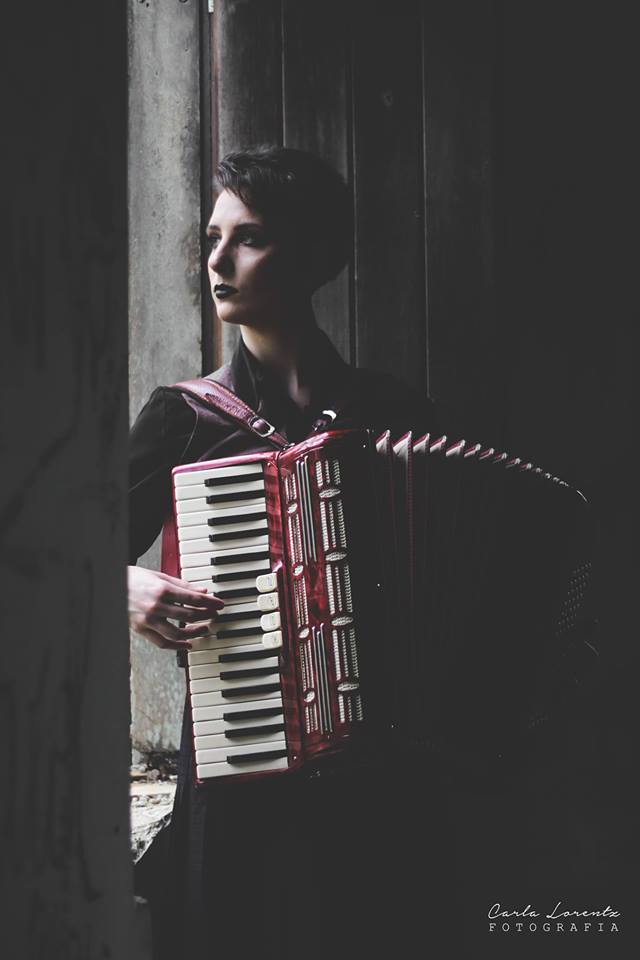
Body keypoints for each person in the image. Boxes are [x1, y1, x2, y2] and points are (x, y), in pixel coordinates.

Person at [128, 146, 451, 959]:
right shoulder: (184, 418)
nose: (218, 261)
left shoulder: (396, 414)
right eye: (212, 238)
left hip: (385, 781)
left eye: (249, 238)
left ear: (311, 256)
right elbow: (60, 560)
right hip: (241, 776)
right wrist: (128, 589)